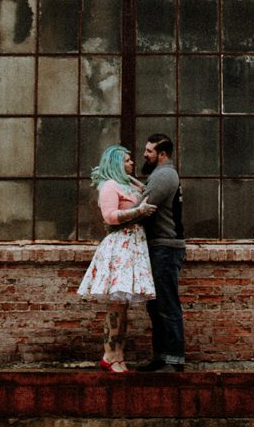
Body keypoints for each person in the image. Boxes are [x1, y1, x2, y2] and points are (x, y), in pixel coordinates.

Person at [75, 144, 157, 373]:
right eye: (127, 160)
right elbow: (109, 217)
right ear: (116, 163)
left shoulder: (126, 184)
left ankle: (118, 354)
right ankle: (109, 354)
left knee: (123, 306)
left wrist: (132, 181)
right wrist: (138, 212)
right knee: (117, 305)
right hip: (121, 246)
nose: (132, 163)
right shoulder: (109, 186)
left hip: (134, 245)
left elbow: (146, 191)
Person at [137, 132, 186, 373]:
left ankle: (174, 361)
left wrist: (115, 216)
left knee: (166, 304)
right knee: (156, 306)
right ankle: (161, 357)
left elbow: (142, 206)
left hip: (165, 248)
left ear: (162, 154)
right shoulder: (160, 175)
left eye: (149, 151)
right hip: (159, 247)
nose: (145, 154)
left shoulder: (164, 175)